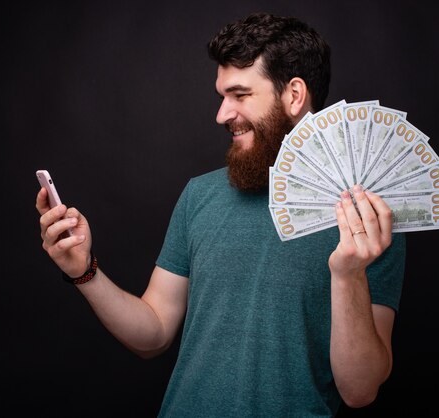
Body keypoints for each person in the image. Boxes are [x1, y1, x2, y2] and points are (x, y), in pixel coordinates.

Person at [36, 12, 405, 417]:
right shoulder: (200, 195)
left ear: (294, 95)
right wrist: (83, 271)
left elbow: (360, 390)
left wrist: (349, 274)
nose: (222, 114)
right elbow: (154, 332)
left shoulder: (368, 217)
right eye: (222, 96)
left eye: (241, 95)